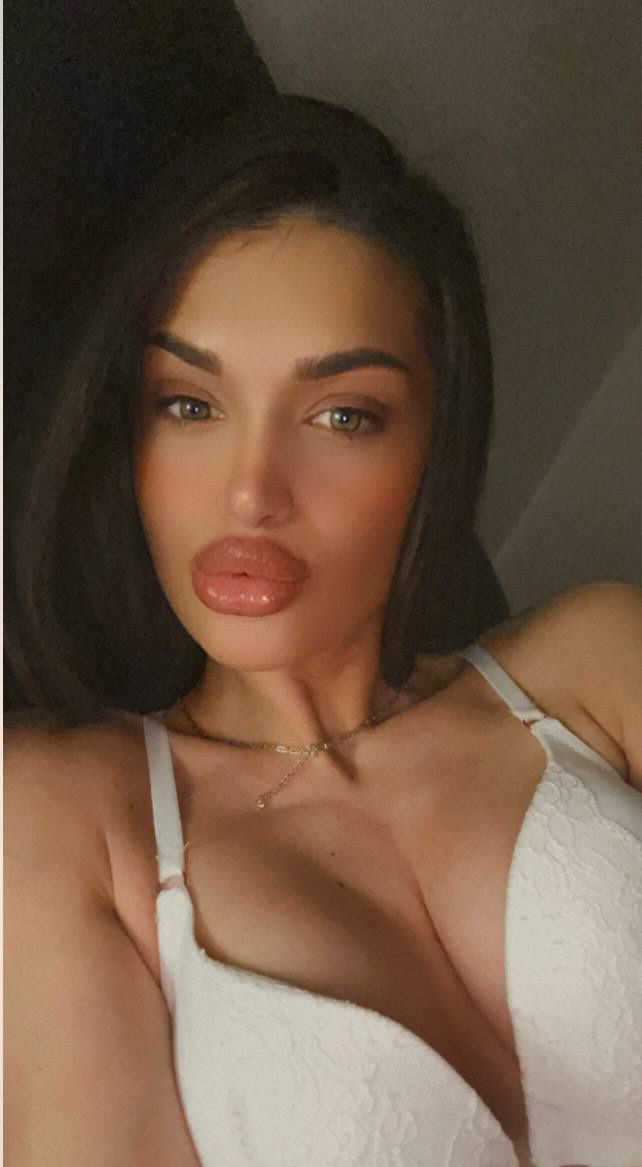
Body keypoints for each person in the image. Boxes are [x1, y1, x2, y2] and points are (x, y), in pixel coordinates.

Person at [4, 94, 641, 1167]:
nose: (251, 493)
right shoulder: (67, 817)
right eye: (190, 404)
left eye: (343, 415)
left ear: (437, 443)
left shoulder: (595, 668)